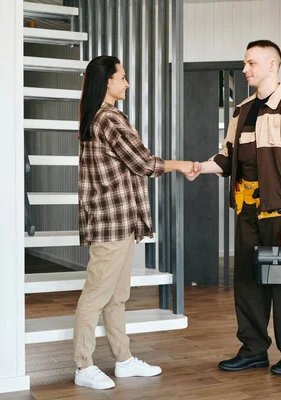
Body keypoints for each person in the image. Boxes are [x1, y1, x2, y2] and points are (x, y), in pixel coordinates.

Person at [185, 40, 281, 375]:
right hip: (248, 212)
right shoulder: (241, 110)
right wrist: (201, 166)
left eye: (252, 63)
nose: (245, 70)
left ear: (273, 65)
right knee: (247, 283)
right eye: (245, 63)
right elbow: (227, 157)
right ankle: (254, 349)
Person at [74, 55, 192, 390]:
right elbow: (142, 162)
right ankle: (83, 366)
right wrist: (183, 164)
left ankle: (123, 360)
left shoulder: (101, 116)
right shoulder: (107, 119)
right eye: (122, 77)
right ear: (107, 82)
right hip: (110, 222)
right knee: (96, 296)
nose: (126, 83)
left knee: (117, 297)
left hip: (120, 219)